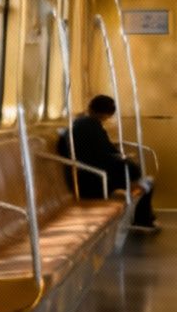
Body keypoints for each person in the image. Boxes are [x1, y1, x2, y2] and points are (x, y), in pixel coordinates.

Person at [61, 94, 158, 232]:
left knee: (138, 178)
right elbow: (105, 154)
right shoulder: (92, 127)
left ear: (90, 107)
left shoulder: (79, 124)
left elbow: (100, 153)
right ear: (107, 114)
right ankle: (142, 219)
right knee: (146, 183)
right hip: (94, 181)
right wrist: (123, 159)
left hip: (84, 177)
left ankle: (144, 216)